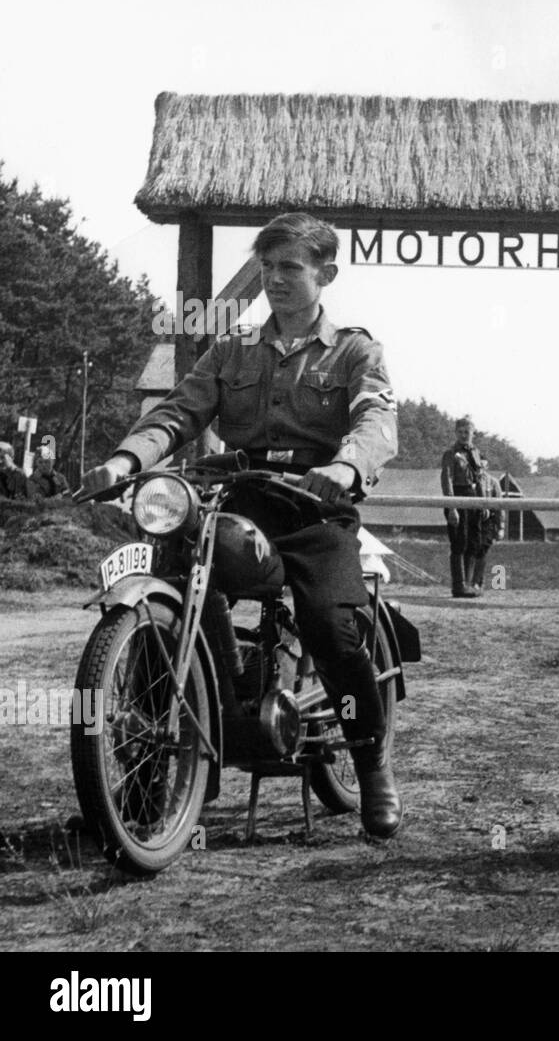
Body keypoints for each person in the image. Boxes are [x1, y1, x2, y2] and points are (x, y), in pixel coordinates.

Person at [78, 212, 403, 838]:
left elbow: (376, 420)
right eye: (267, 267)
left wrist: (343, 466)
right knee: (169, 592)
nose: (275, 279)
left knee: (331, 630)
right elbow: (179, 414)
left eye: (291, 268)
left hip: (315, 507)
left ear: (325, 275)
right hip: (238, 497)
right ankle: (144, 792)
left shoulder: (356, 351)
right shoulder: (232, 350)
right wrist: (123, 459)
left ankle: (372, 766)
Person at [441, 416, 484, 597]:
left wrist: (484, 503)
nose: (464, 435)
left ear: (473, 433)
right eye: (460, 432)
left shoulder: (475, 452)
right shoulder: (451, 453)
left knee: (474, 542)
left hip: (473, 497)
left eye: (467, 432)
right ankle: (458, 586)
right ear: (455, 433)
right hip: (457, 497)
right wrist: (452, 507)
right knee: (459, 542)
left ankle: (469, 584)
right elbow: (447, 479)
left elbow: (480, 477)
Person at [469, 456, 503, 593]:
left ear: (487, 467)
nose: (480, 469)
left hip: (487, 522)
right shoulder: (468, 481)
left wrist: (500, 527)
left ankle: (477, 582)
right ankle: (469, 582)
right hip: (471, 520)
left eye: (483, 466)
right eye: (478, 466)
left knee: (482, 550)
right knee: (470, 550)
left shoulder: (493, 483)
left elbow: (500, 506)